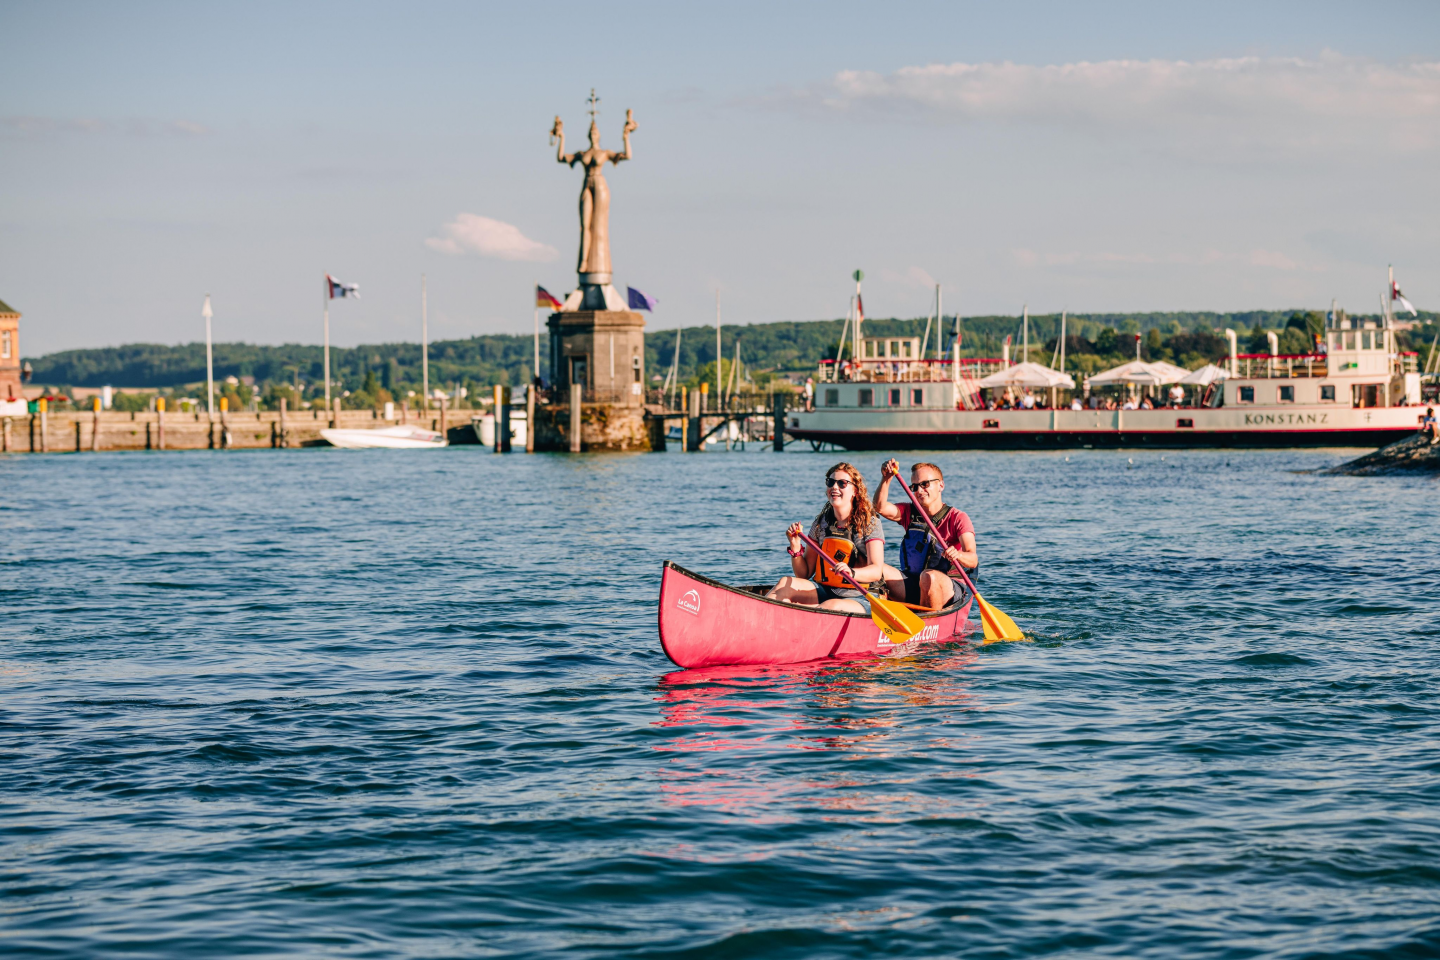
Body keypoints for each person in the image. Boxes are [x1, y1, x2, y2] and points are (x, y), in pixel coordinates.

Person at [767, 462, 885, 614]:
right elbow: (804, 574)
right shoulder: (820, 523)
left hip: (864, 597)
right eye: (831, 482)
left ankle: (788, 615)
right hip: (827, 590)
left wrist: (852, 572)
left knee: (832, 606)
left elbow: (876, 570)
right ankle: (761, 618)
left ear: (855, 490)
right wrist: (795, 546)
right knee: (785, 582)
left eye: (842, 483)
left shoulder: (870, 523)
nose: (835, 487)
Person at [873, 459, 979, 611]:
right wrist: (886, 478)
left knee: (930, 577)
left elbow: (973, 559)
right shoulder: (909, 512)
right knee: (877, 569)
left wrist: (958, 555)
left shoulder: (958, 518)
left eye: (925, 484)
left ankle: (929, 622)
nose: (919, 490)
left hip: (948, 587)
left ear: (940, 485)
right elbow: (880, 507)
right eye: (915, 486)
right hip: (913, 582)